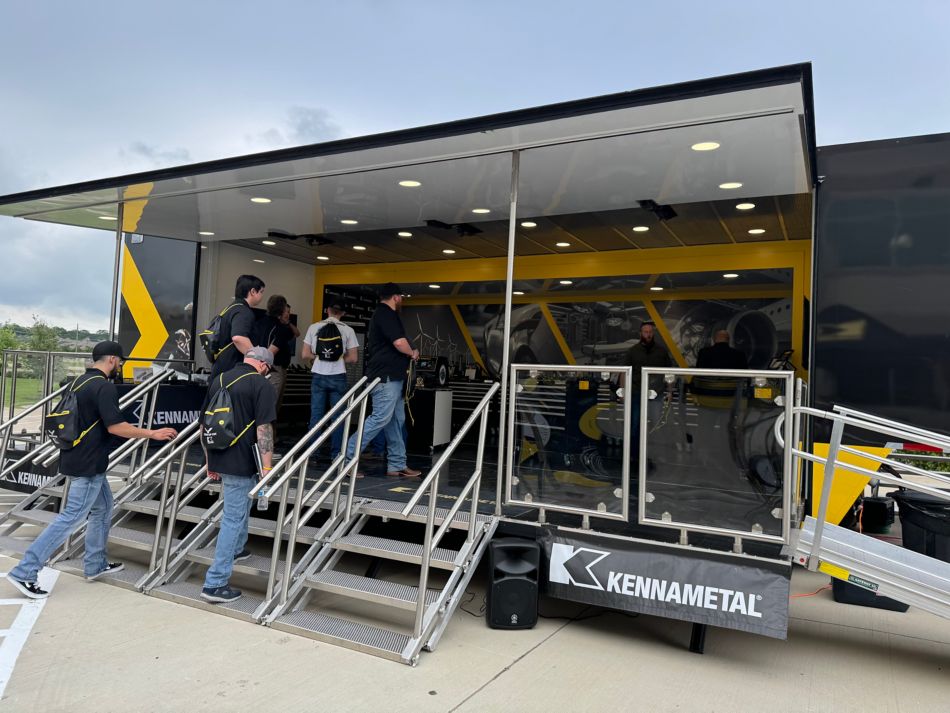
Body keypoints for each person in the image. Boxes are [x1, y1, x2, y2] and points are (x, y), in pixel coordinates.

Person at [5, 341, 177, 599]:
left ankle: (95, 564)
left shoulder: (77, 382)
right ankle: (25, 571)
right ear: (111, 359)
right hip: (88, 463)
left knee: (103, 508)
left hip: (77, 457)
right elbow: (116, 427)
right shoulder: (103, 387)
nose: (120, 366)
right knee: (71, 517)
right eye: (121, 361)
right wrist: (152, 433)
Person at [199, 346, 277, 604]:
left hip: (220, 456)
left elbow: (205, 424)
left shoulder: (219, 379)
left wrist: (210, 461)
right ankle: (215, 583)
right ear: (264, 366)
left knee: (240, 508)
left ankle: (238, 548)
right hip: (243, 461)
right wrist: (267, 470)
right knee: (233, 517)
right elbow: (263, 430)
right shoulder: (261, 385)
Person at [344, 283, 422, 477]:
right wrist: (412, 352)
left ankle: (396, 464)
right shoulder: (386, 314)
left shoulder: (382, 314)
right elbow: (398, 342)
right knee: (380, 418)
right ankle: (347, 459)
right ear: (396, 297)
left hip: (391, 377)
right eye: (401, 297)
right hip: (386, 377)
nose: (402, 300)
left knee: (395, 420)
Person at [302, 300, 358, 458]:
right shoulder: (348, 330)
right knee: (337, 417)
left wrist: (320, 358)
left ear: (327, 310)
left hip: (318, 376)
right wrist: (337, 359)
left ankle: (312, 453)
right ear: (343, 313)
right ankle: (336, 454)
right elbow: (353, 358)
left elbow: (305, 354)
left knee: (316, 415)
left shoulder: (314, 327)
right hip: (338, 377)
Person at [622, 321, 673, 464]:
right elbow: (624, 373)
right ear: (640, 333)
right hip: (637, 393)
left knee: (657, 425)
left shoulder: (662, 352)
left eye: (650, 332)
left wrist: (670, 391)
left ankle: (654, 454)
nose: (648, 334)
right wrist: (624, 392)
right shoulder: (632, 351)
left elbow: (669, 373)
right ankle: (633, 455)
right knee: (635, 425)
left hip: (656, 394)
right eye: (645, 332)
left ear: (653, 333)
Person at [209, 275, 265, 380]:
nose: (262, 296)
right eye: (261, 292)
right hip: (233, 373)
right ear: (253, 291)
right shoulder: (243, 311)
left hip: (221, 371)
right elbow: (239, 337)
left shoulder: (230, 309)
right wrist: (257, 361)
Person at [258, 294, 300, 412]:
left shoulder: (259, 323)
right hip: (273, 369)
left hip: (257, 366)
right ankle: (267, 430)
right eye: (286, 311)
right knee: (271, 407)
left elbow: (297, 333)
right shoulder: (280, 329)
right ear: (281, 310)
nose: (287, 313)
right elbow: (270, 353)